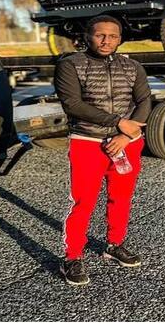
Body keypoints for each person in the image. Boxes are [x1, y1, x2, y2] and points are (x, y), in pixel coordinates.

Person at [54, 15, 152, 286]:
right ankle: (72, 257)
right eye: (100, 35)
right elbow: (73, 104)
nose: (106, 41)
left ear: (120, 39)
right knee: (83, 201)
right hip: (87, 142)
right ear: (87, 36)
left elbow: (144, 100)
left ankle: (114, 244)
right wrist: (118, 122)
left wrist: (125, 135)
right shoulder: (70, 65)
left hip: (126, 143)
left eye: (113, 36)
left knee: (121, 197)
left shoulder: (132, 66)